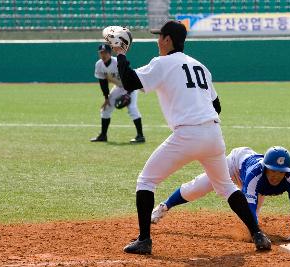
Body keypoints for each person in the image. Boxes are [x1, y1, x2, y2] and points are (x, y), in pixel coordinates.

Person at [111, 20, 271, 255]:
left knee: (146, 181)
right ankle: (258, 234)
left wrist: (121, 54)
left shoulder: (163, 63)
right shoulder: (200, 66)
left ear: (167, 40)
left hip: (187, 134)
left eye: (160, 37)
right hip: (214, 134)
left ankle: (144, 240)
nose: (158, 41)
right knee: (226, 186)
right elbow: (216, 106)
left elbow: (129, 81)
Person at [151, 146, 290, 242]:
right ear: (265, 168)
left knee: (252, 223)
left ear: (287, 172)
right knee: (196, 188)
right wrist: (257, 233)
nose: (276, 175)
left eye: (281, 172)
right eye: (272, 170)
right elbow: (248, 206)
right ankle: (165, 206)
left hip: (254, 184)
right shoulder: (255, 175)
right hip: (233, 165)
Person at [91, 44, 145, 143]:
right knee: (106, 109)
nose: (103, 55)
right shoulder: (99, 65)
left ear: (110, 53)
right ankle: (103, 136)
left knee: (132, 108)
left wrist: (128, 94)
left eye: (105, 53)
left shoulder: (117, 62)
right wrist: (106, 98)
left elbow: (130, 77)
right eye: (101, 53)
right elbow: (103, 83)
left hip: (131, 86)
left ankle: (140, 136)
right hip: (119, 87)